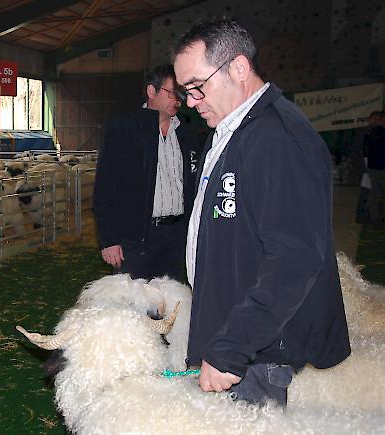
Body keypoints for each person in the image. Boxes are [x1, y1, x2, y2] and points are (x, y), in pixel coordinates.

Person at [172, 19, 351, 406]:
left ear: (237, 68)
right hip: (234, 336)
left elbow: (295, 257)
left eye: (196, 88)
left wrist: (232, 347)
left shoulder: (277, 138)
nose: (190, 102)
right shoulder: (231, 131)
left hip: (255, 353)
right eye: (185, 92)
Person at [93, 65, 199, 281]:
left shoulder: (187, 132)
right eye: (172, 93)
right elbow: (104, 187)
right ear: (152, 92)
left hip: (176, 236)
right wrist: (109, 239)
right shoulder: (123, 129)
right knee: (133, 304)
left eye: (181, 94)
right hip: (136, 236)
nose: (178, 100)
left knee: (170, 302)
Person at [364, 111, 385, 224]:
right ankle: (375, 216)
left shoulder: (368, 133)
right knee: (376, 193)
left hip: (373, 167)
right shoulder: (379, 133)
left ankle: (373, 217)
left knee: (375, 193)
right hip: (380, 167)